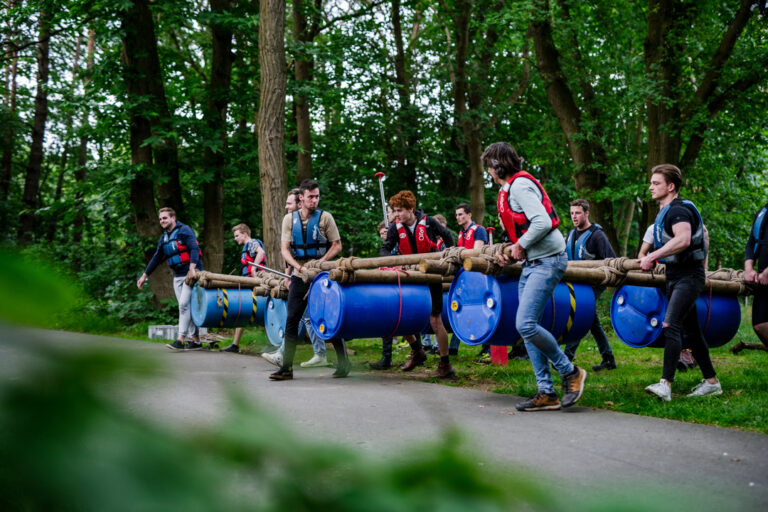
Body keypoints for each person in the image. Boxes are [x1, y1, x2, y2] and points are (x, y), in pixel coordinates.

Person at [481, 142, 587, 411]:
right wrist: (509, 249)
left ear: (497, 166)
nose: (489, 174)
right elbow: (520, 230)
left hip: (549, 261)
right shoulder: (509, 190)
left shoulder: (520, 186)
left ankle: (570, 371)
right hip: (532, 263)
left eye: (489, 168)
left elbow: (540, 221)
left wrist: (520, 245)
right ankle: (547, 393)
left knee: (525, 324)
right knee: (528, 329)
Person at [639, 164, 721, 401]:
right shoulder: (667, 212)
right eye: (651, 182)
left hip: (688, 277)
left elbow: (684, 239)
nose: (651, 187)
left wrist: (652, 256)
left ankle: (665, 384)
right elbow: (698, 235)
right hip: (676, 277)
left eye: (656, 183)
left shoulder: (678, 210)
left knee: (670, 325)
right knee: (693, 333)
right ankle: (712, 382)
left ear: (670, 186)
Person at [269, 179, 350, 380]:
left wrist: (320, 263)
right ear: (301, 198)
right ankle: (286, 368)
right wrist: (298, 268)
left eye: (317, 196)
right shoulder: (289, 220)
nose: (314, 200)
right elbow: (285, 250)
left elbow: (337, 245)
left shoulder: (325, 218)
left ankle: (344, 363)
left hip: (322, 275)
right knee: (292, 319)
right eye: (311, 197)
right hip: (299, 274)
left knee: (329, 317)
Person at [380, 190, 457, 378]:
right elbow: (385, 249)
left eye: (399, 211)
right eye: (394, 211)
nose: (396, 214)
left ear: (411, 209)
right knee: (401, 317)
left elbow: (449, 238)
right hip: (411, 276)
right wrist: (394, 261)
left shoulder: (429, 223)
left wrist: (446, 257)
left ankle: (445, 364)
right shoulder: (394, 228)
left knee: (434, 319)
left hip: (431, 274)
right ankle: (417, 351)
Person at [262, 188, 330, 369]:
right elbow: (290, 251)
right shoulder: (291, 223)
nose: (286, 207)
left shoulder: (315, 221)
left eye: (289, 203)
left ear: (300, 203)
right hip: (298, 274)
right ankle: (314, 354)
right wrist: (290, 272)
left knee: (302, 317)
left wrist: (298, 271)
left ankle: (291, 356)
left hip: (311, 275)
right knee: (301, 317)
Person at [137, 207, 204, 350]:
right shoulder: (164, 238)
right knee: (186, 307)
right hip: (177, 275)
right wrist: (144, 276)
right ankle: (196, 341)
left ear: (173, 218)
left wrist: (192, 268)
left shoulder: (184, 230)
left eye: (165, 218)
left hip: (190, 274)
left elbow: (194, 249)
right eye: (160, 219)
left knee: (183, 305)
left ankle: (180, 340)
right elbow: (156, 258)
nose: (162, 221)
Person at [563, 199, 617, 371]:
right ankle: (608, 359)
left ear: (586, 213)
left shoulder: (597, 235)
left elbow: (611, 261)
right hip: (576, 283)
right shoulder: (571, 234)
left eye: (577, 213)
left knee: (581, 315)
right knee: (592, 322)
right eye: (572, 213)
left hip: (593, 283)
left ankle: (566, 358)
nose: (574, 216)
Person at [220, 224, 266, 353]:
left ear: (245, 234)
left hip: (256, 283)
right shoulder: (247, 246)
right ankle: (235, 345)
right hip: (248, 283)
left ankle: (272, 343)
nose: (235, 238)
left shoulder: (251, 242)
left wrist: (253, 268)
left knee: (263, 311)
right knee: (243, 311)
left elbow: (261, 253)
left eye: (237, 235)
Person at [454, 202, 491, 361]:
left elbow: (476, 253)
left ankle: (488, 348)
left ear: (469, 215)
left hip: (479, 276)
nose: (458, 217)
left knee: (484, 311)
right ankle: (453, 348)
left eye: (461, 214)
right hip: (466, 276)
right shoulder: (461, 233)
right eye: (456, 215)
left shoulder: (479, 230)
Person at [738, 202, 768, 351]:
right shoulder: (763, 211)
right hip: (763, 280)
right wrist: (749, 268)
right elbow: (751, 243)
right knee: (760, 325)